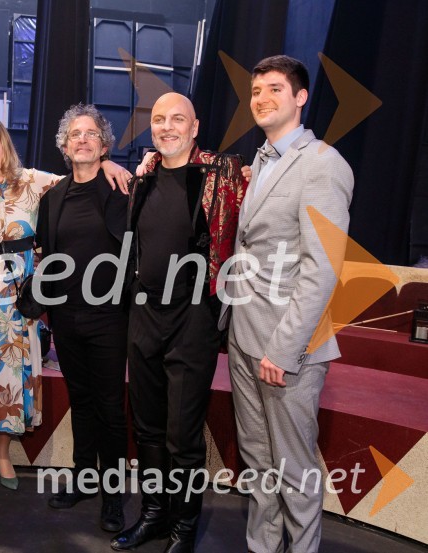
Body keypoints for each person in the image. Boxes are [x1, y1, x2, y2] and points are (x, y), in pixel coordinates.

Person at [0, 117, 132, 501]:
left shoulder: (35, 182)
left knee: (14, 378)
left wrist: (110, 163)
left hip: (20, 300)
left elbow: (83, 173)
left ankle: (5, 455)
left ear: (6, 147)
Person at [226, 55, 353, 553]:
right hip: (243, 335)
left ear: (300, 97)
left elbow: (321, 269)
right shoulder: (259, 159)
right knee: (257, 461)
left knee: (294, 469)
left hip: (288, 347)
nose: (262, 98)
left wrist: (284, 349)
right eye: (257, 91)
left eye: (275, 89)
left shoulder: (323, 164)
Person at [111, 93, 246, 553]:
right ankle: (153, 514)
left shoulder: (220, 175)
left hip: (193, 319)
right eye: (158, 120)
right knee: (146, 427)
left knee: (182, 433)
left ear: (195, 126)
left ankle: (184, 528)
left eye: (177, 120)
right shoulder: (142, 177)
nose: (167, 127)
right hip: (144, 314)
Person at [34, 104, 129, 532]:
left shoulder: (123, 189)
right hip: (65, 320)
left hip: (110, 318)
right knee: (82, 401)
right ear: (65, 146)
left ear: (104, 146)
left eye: (91, 134)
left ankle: (113, 494)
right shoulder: (53, 197)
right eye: (75, 134)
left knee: (110, 408)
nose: (83, 140)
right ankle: (83, 475)